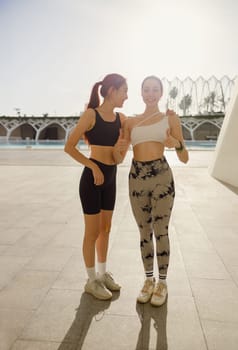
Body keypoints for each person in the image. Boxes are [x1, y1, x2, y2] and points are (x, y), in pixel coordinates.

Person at [123, 75, 189, 306]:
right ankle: (148, 280)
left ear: (161, 93)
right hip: (136, 177)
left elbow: (185, 157)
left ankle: (162, 283)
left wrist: (176, 144)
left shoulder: (170, 119)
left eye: (155, 90)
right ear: (141, 93)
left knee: (161, 231)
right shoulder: (130, 121)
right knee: (144, 232)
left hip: (161, 177)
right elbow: (120, 151)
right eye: (146, 90)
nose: (150, 94)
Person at [64, 73, 128, 300]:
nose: (126, 96)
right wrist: (93, 166)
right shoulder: (91, 115)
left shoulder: (121, 119)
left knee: (106, 229)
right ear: (112, 90)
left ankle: (102, 274)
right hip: (92, 180)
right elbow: (69, 147)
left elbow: (119, 159)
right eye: (124, 91)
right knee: (92, 232)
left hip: (111, 177)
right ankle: (91, 281)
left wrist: (119, 150)